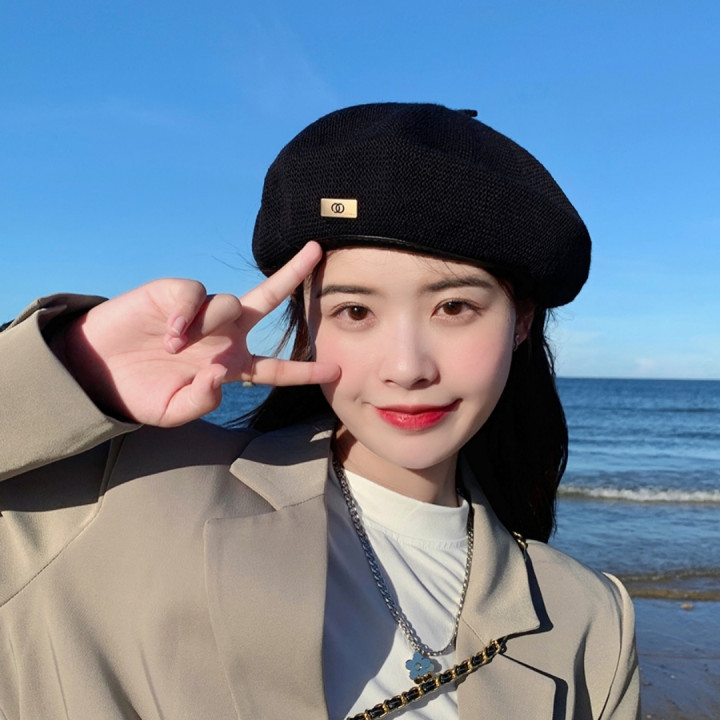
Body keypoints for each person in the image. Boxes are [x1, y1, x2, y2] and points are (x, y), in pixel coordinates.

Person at [0, 103, 639, 720]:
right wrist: (77, 369)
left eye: (454, 307)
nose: (407, 367)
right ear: (307, 324)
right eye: (355, 311)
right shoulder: (119, 488)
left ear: (520, 321)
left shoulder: (589, 622)